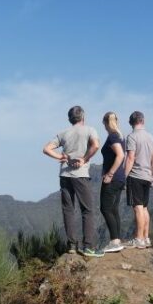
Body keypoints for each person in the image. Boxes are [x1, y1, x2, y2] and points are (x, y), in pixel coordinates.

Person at [42, 105, 104, 257]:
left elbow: (46, 149)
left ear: (70, 119)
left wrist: (61, 157)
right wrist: (84, 159)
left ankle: (71, 246)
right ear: (83, 117)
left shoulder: (63, 133)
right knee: (87, 210)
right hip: (80, 175)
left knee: (68, 210)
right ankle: (88, 247)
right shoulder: (90, 130)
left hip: (64, 175)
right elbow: (96, 145)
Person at [124, 110, 153, 249]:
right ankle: (146, 237)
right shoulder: (152, 138)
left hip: (135, 176)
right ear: (143, 121)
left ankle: (138, 239)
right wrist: (152, 175)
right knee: (144, 207)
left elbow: (131, 158)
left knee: (137, 207)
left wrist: (124, 175)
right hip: (147, 175)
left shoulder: (132, 137)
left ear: (131, 123)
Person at [99, 111, 126, 253]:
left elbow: (120, 155)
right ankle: (117, 240)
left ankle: (115, 241)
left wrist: (110, 174)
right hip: (120, 178)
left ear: (105, 122)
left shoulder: (113, 136)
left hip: (113, 178)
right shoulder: (120, 136)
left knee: (105, 208)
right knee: (113, 209)